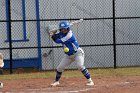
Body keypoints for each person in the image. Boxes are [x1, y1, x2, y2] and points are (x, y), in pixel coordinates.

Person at [49, 21, 94, 86]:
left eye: (65, 28)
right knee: (59, 68)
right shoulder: (61, 33)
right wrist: (53, 33)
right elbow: (56, 36)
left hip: (77, 53)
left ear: (68, 28)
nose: (63, 30)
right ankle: (56, 81)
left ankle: (90, 81)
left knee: (80, 66)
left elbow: (58, 41)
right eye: (62, 29)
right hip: (68, 55)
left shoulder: (69, 35)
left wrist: (52, 35)